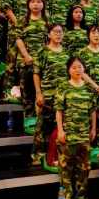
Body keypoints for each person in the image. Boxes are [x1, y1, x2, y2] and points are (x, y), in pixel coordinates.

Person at [55, 57, 97, 199]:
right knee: (66, 169)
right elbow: (59, 111)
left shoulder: (88, 89)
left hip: (84, 135)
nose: (77, 70)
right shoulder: (63, 87)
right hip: (68, 135)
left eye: (80, 67)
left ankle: (81, 197)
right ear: (68, 70)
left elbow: (93, 111)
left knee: (84, 169)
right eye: (74, 68)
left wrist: (93, 129)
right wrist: (60, 130)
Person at [31, 23, 70, 165]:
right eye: (55, 31)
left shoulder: (67, 52)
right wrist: (38, 93)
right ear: (48, 34)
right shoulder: (42, 51)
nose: (58, 34)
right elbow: (36, 73)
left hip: (63, 97)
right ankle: (37, 155)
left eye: (60, 32)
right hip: (47, 95)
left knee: (61, 128)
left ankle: (56, 156)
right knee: (41, 127)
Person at [15, 0, 48, 119]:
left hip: (43, 62)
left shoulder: (47, 20)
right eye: (33, 2)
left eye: (39, 2)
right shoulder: (23, 20)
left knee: (42, 94)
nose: (35, 4)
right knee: (28, 94)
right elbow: (18, 38)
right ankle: (28, 121)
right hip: (26, 61)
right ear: (28, 4)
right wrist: (26, 55)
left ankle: (40, 122)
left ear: (43, 4)